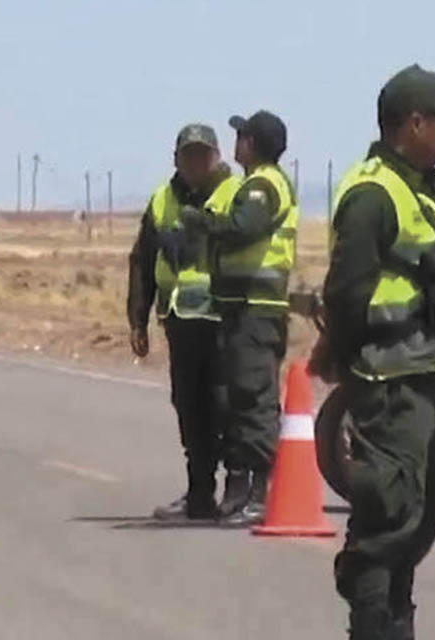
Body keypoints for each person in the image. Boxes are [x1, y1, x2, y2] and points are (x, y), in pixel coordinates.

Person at [323, 64, 435, 640]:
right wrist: (348, 364)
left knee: (418, 519)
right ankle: (373, 622)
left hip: (429, 373)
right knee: (389, 519)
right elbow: (347, 291)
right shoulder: (373, 193)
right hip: (391, 379)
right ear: (413, 123)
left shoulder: (416, 189)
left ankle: (394, 618)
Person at [190, 110, 299, 526]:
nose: (236, 143)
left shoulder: (263, 185)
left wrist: (203, 222)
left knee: (254, 397)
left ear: (253, 144)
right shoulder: (255, 182)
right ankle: (238, 492)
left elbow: (244, 228)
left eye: (242, 136)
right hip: (240, 305)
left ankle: (258, 494)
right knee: (234, 396)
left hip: (258, 307)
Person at [126, 123, 234, 520]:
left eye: (203, 155)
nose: (196, 163)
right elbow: (142, 261)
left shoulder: (233, 194)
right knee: (190, 407)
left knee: (225, 405)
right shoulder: (161, 200)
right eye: (188, 155)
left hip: (223, 317)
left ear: (216, 157)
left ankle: (240, 491)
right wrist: (137, 319)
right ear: (176, 159)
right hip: (180, 320)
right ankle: (199, 494)